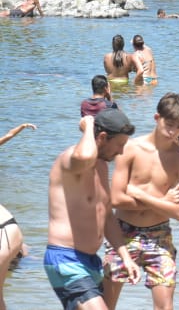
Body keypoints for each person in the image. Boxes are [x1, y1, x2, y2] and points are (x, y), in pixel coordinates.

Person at [103, 93, 179, 310]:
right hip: (123, 232)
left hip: (160, 234)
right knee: (106, 304)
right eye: (169, 124)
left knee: (165, 306)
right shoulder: (130, 149)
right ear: (156, 117)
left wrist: (142, 195)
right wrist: (164, 201)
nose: (173, 131)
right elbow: (115, 198)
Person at [46, 109, 140, 310]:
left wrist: (125, 257)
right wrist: (88, 126)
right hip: (65, 258)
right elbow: (85, 154)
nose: (122, 152)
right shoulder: (71, 161)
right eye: (120, 145)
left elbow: (106, 216)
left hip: (90, 262)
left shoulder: (101, 166)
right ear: (103, 137)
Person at [0, 121, 35, 310]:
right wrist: (21, 127)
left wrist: (21, 127)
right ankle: (23, 256)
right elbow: (6, 137)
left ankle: (22, 255)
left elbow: (6, 138)